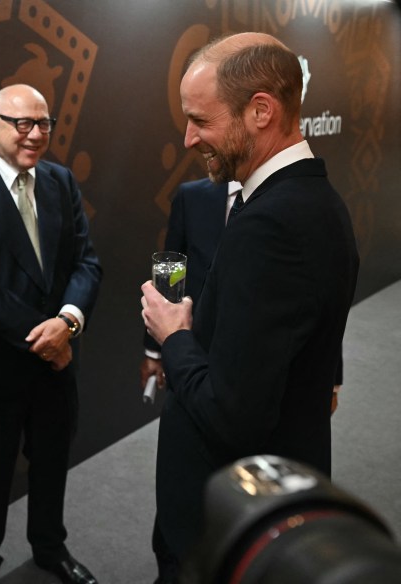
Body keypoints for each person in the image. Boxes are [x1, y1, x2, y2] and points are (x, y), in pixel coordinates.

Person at [140, 32, 359, 582]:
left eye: (202, 120)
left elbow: (234, 414)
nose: (189, 138)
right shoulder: (310, 200)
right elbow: (178, 265)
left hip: (232, 518)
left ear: (261, 111)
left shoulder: (274, 224)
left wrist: (173, 338)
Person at [0, 84, 102, 584]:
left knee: (52, 465)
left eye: (43, 124)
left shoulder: (60, 181)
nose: (34, 135)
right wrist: (47, 340)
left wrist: (67, 324)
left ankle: (50, 550)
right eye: (21, 123)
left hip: (57, 362)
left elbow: (86, 263)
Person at [140, 178, 240, 394]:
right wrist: (154, 351)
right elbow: (170, 273)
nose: (191, 142)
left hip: (253, 358)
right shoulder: (192, 195)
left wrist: (332, 383)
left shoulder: (284, 200)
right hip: (193, 348)